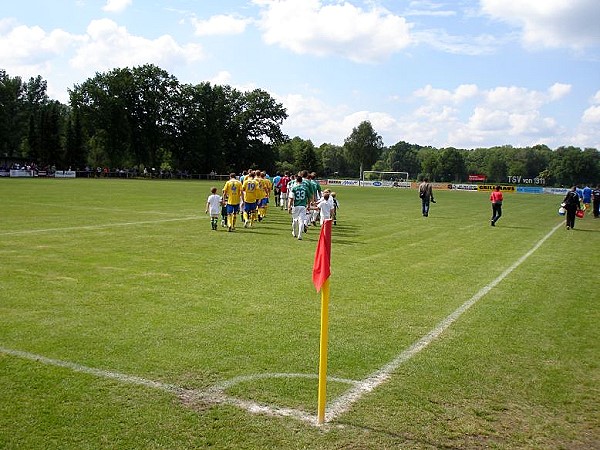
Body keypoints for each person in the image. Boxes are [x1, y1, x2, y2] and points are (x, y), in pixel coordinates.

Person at [288, 175, 310, 240]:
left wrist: (289, 206)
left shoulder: (294, 188)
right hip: (303, 206)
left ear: (296, 180)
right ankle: (300, 234)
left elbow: (291, 198)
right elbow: (309, 198)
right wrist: (308, 205)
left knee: (295, 220)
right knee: (301, 221)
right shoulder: (305, 188)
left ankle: (294, 232)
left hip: (296, 205)